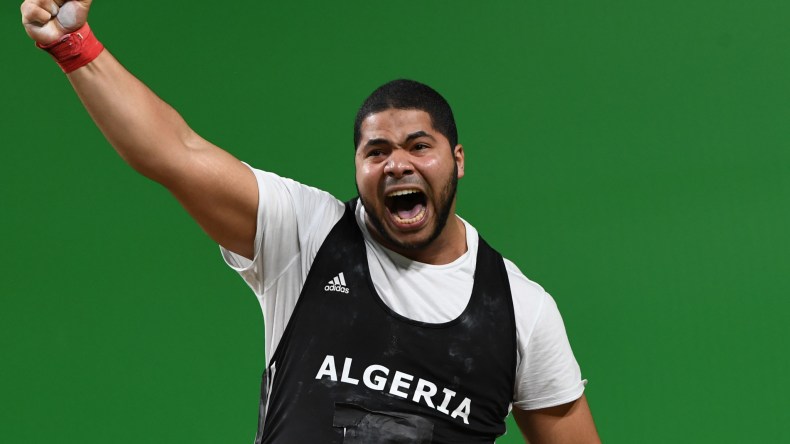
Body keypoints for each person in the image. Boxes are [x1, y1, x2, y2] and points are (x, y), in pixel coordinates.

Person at [21, 1, 601, 442]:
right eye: (376, 152)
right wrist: (72, 46)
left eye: (418, 145)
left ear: (458, 160)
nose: (397, 163)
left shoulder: (522, 311)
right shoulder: (305, 235)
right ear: (357, 167)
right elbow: (176, 151)